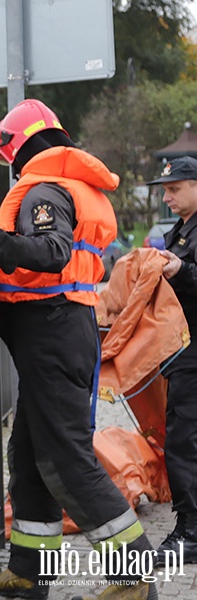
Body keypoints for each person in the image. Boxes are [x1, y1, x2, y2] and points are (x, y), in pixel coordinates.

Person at [0, 99, 156, 600]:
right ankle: (29, 574)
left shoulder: (43, 191)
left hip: (52, 333)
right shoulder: (74, 186)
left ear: (17, 149)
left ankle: (134, 578)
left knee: (66, 460)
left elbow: (51, 254)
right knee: (30, 457)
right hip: (59, 332)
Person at [145, 156, 197, 566]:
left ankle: (191, 533)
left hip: (194, 353)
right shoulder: (181, 229)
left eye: (174, 189)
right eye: (165, 190)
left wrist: (183, 269)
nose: (167, 197)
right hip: (182, 349)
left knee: (183, 441)